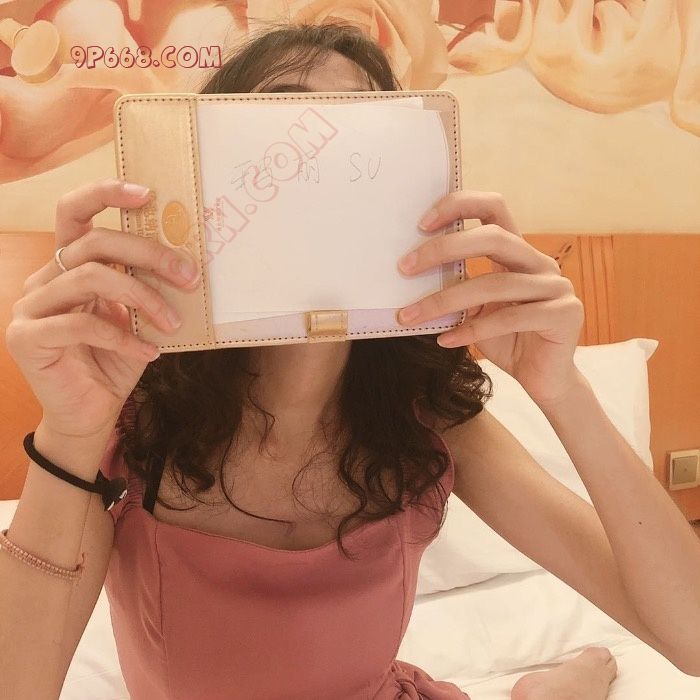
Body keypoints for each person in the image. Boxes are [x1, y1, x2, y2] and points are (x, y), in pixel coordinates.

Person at [3, 21, 700, 700]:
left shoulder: (423, 418)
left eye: (358, 147)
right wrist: (69, 431)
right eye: (279, 145)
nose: (314, 175)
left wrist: (564, 389)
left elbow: (691, 638)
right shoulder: (131, 419)